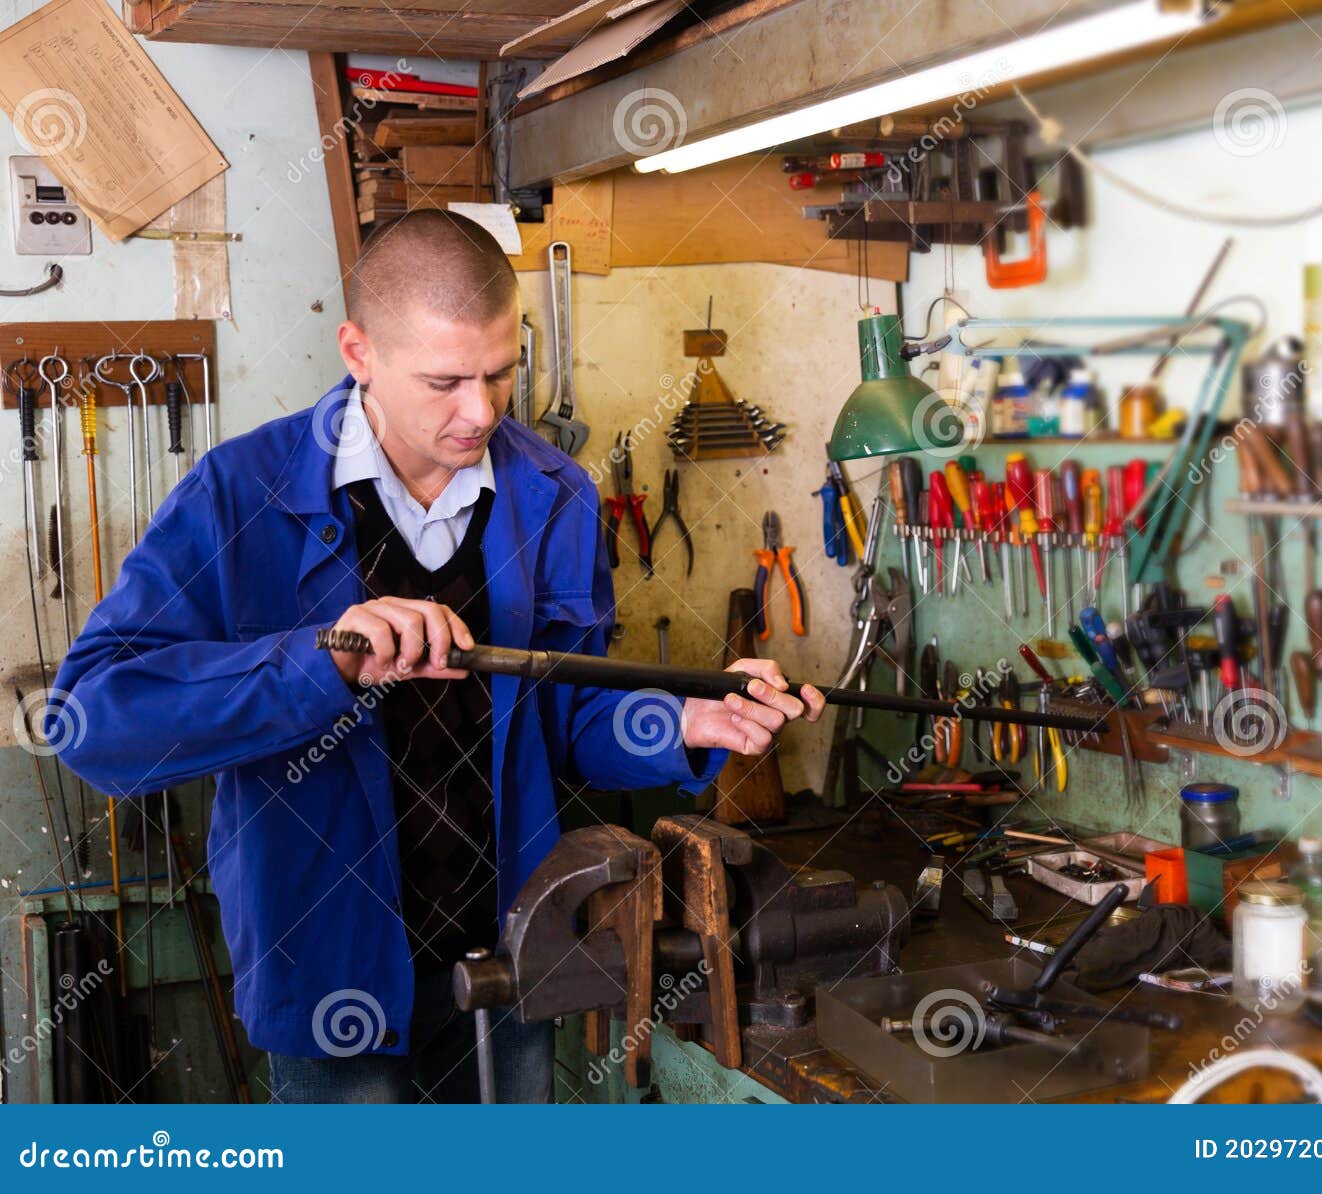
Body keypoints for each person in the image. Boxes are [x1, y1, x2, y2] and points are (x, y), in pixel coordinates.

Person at [52, 211, 823, 1103]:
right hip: (326, 966)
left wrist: (685, 720)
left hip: (511, 957)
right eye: (445, 381)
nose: (481, 411)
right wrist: (319, 665)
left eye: (501, 373)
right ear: (358, 351)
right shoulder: (239, 496)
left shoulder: (553, 496)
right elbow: (95, 720)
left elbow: (562, 717)